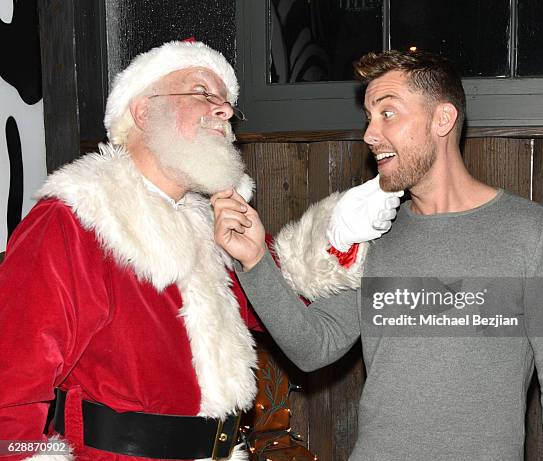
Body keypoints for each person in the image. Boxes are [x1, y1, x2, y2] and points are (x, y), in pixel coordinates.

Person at [0, 40, 381, 461]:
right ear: (143, 111)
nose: (225, 111)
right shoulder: (74, 219)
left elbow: (288, 300)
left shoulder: (207, 222)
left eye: (228, 103)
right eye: (203, 93)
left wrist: (341, 234)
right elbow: (8, 398)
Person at [212, 50, 543, 460]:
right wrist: (254, 261)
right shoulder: (369, 233)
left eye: (387, 114)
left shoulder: (530, 232)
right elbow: (314, 347)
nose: (370, 134)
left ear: (441, 119)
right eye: (369, 118)